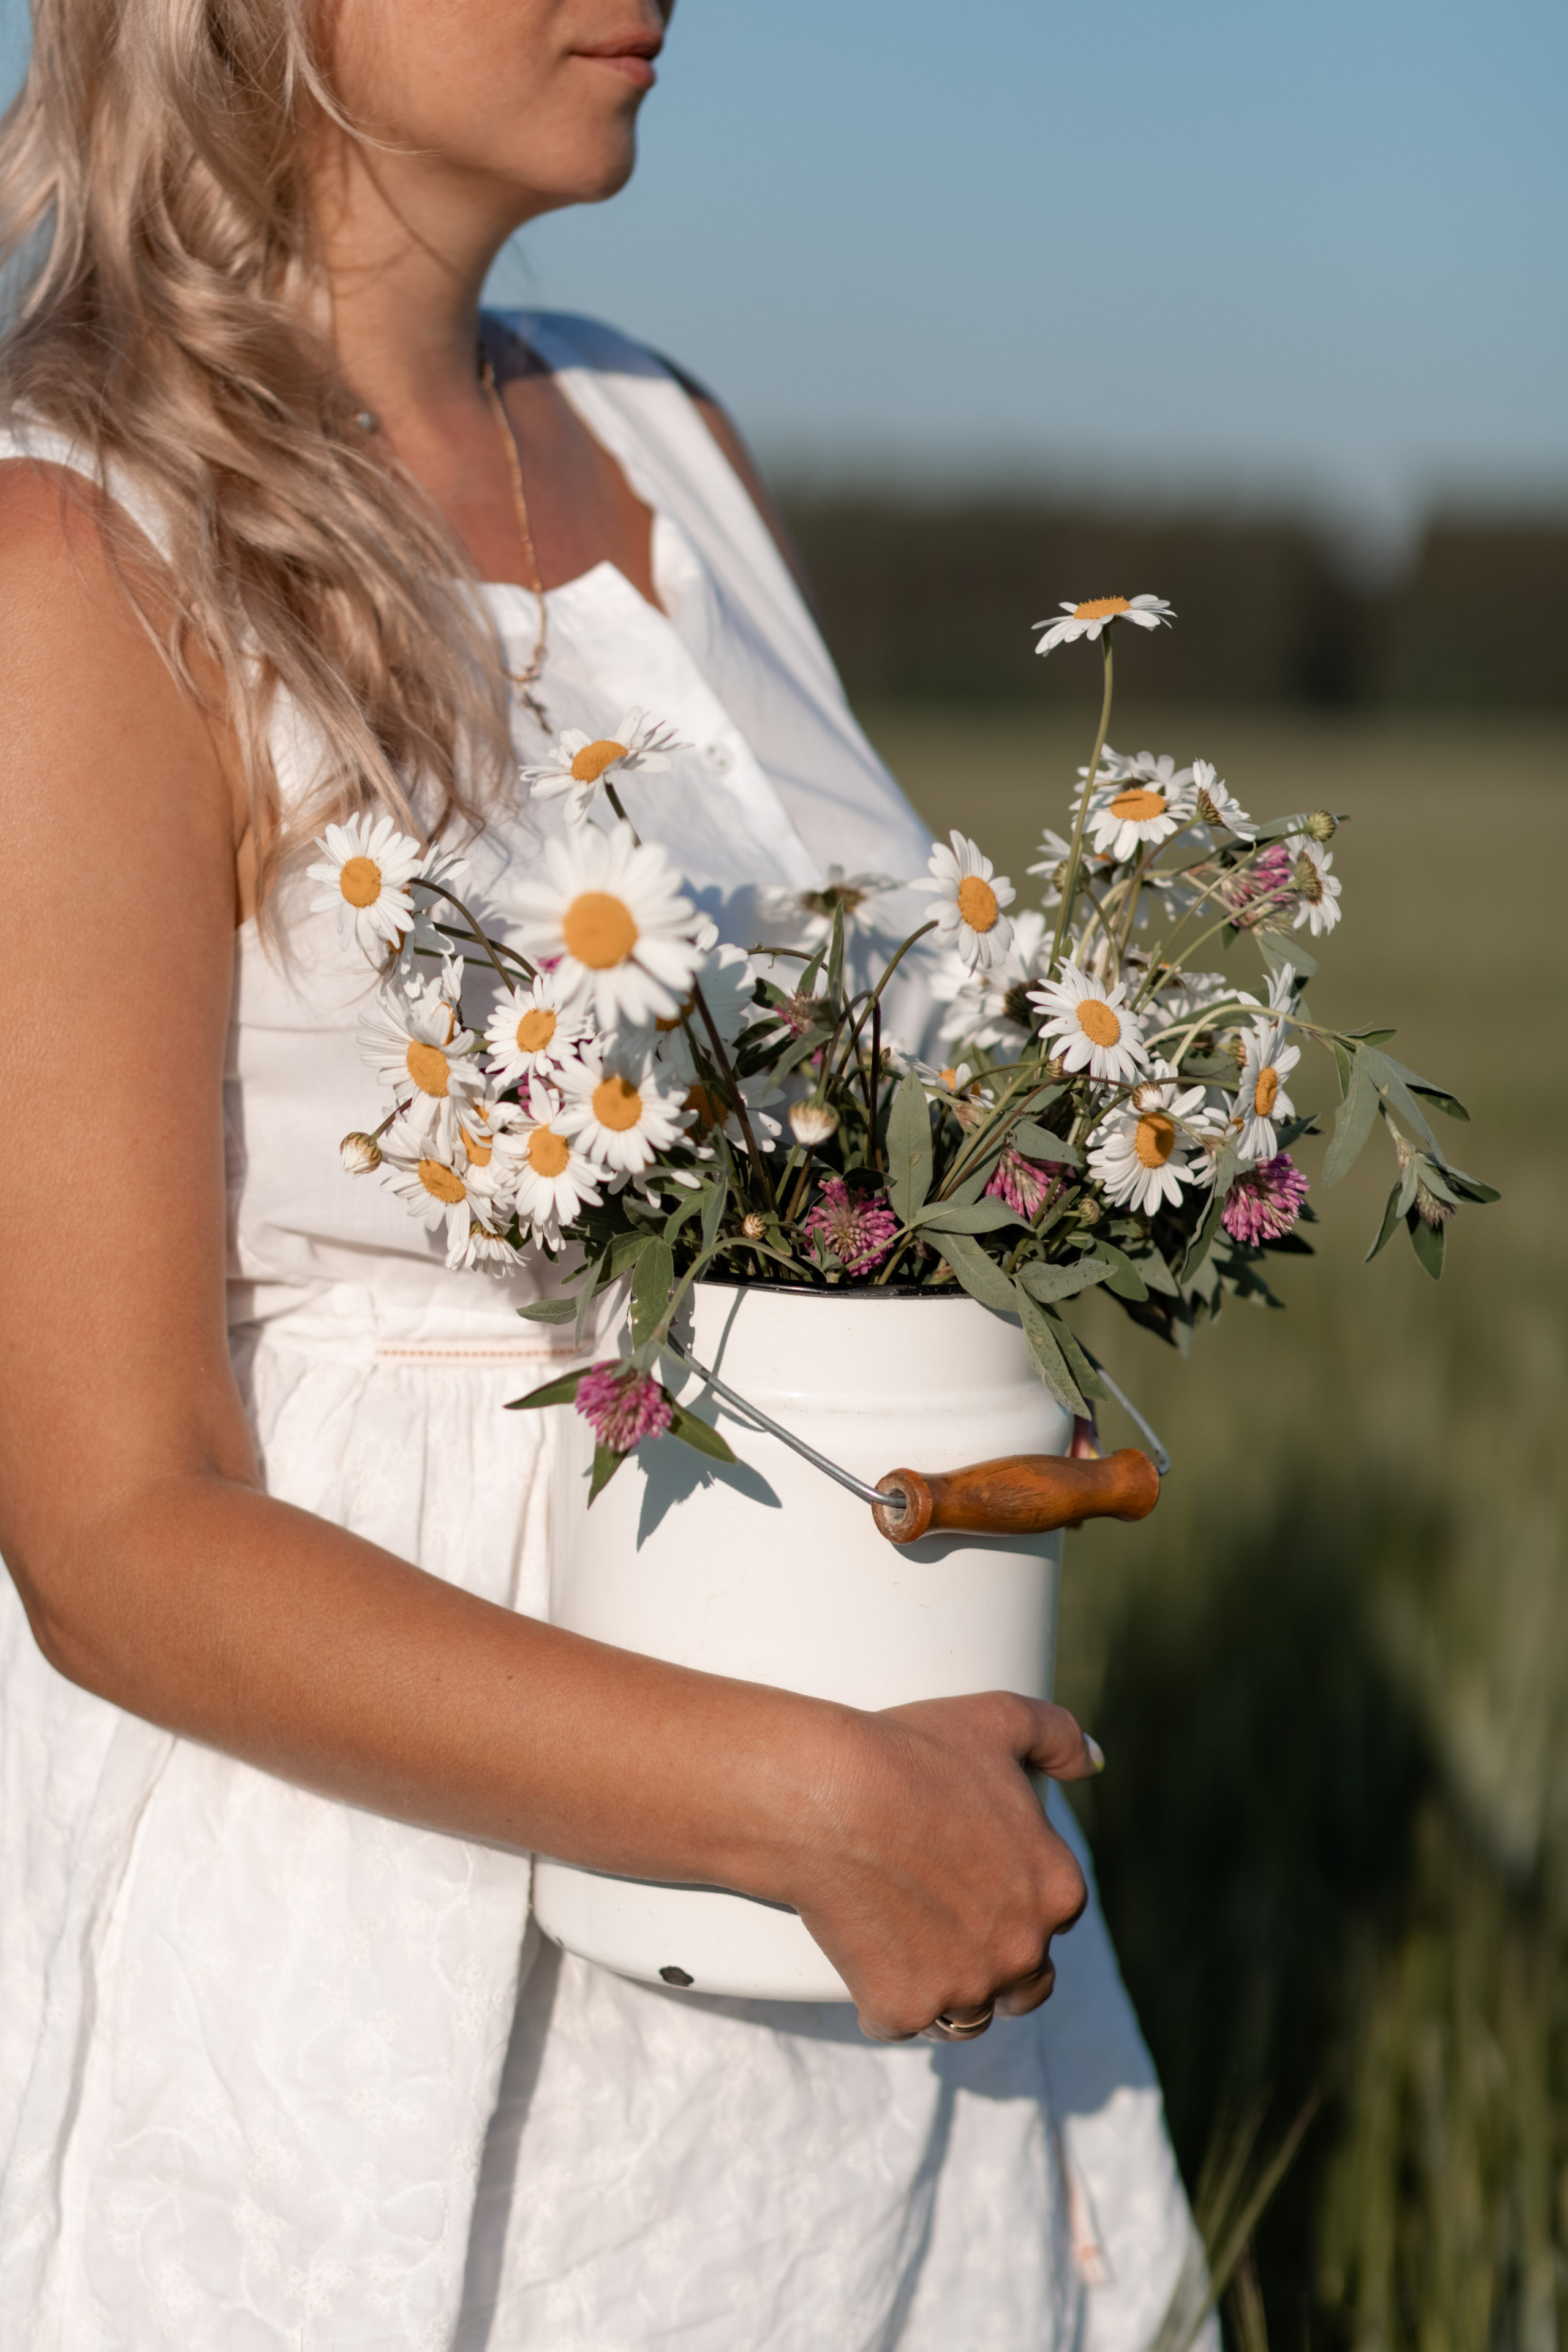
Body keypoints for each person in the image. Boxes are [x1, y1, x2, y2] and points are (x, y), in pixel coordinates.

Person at [0, 2, 1208, 2344]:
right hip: (367, 1948)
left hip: (867, 1946)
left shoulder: (669, 439)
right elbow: (114, 1535)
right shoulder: (69, 540)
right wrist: (799, 1807)